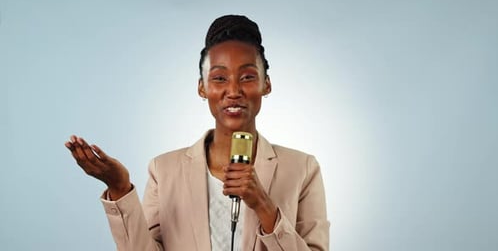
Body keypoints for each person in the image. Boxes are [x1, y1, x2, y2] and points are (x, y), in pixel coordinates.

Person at [65, 15, 330, 251]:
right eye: (219, 78)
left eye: (248, 77)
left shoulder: (302, 168)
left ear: (266, 84)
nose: (234, 90)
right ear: (202, 88)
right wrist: (119, 188)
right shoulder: (164, 170)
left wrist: (264, 206)